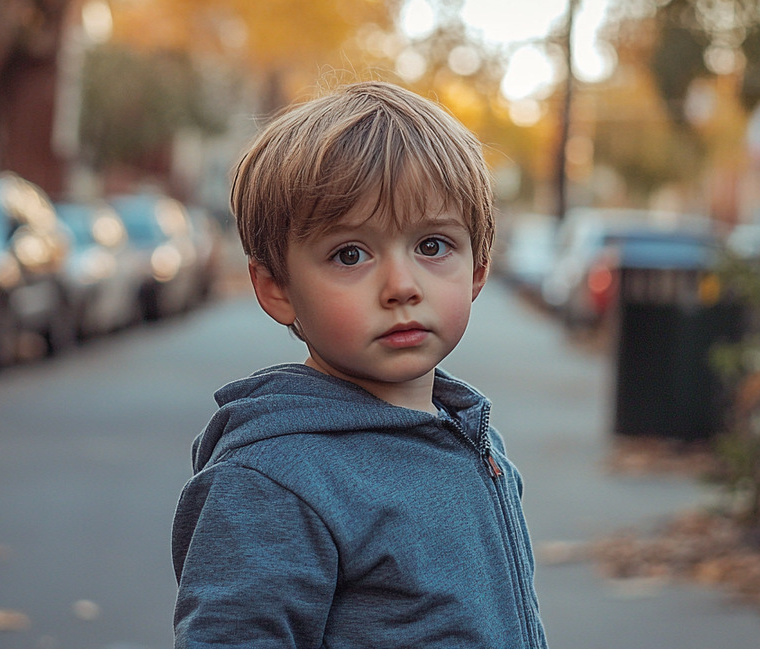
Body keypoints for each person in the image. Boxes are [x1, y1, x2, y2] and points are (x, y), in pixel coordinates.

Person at [171, 80, 547, 648]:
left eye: (432, 246)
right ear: (276, 288)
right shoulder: (275, 482)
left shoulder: (471, 443)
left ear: (477, 268)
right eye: (351, 254)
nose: (401, 286)